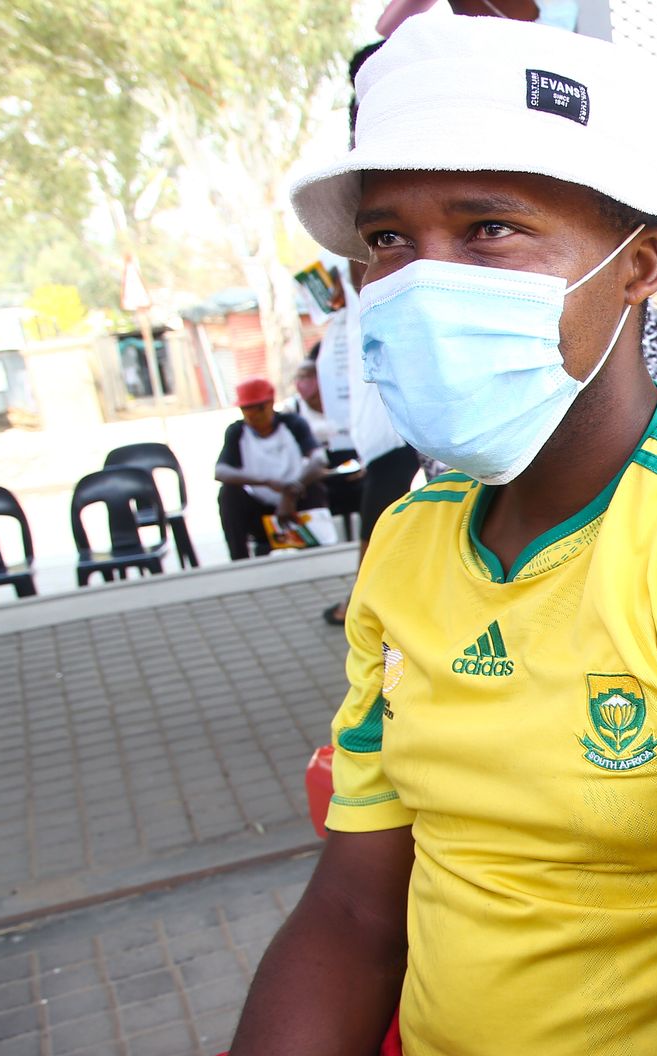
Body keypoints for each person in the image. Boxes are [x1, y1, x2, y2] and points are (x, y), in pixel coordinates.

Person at [182, 17, 657, 1056]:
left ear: (637, 269)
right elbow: (353, 913)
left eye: (491, 229)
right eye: (388, 240)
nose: (421, 281)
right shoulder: (409, 540)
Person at [320, 40, 424, 627]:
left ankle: (368, 602)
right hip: (385, 373)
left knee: (388, 489)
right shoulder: (360, 182)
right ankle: (372, 606)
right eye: (386, 237)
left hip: (400, 377)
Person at [214, 377, 330, 560]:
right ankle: (239, 559)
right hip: (260, 506)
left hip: (295, 500)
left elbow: (318, 459)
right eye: (246, 409)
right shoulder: (237, 432)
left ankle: (318, 548)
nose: (253, 415)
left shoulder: (293, 424)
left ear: (270, 404)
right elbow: (221, 472)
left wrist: (291, 491)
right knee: (228, 494)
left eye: (259, 408)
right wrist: (266, 482)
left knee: (315, 486)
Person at [289, 354, 363, 526]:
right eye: (300, 377)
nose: (304, 382)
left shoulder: (347, 403)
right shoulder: (293, 410)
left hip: (353, 466)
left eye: (309, 376)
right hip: (317, 472)